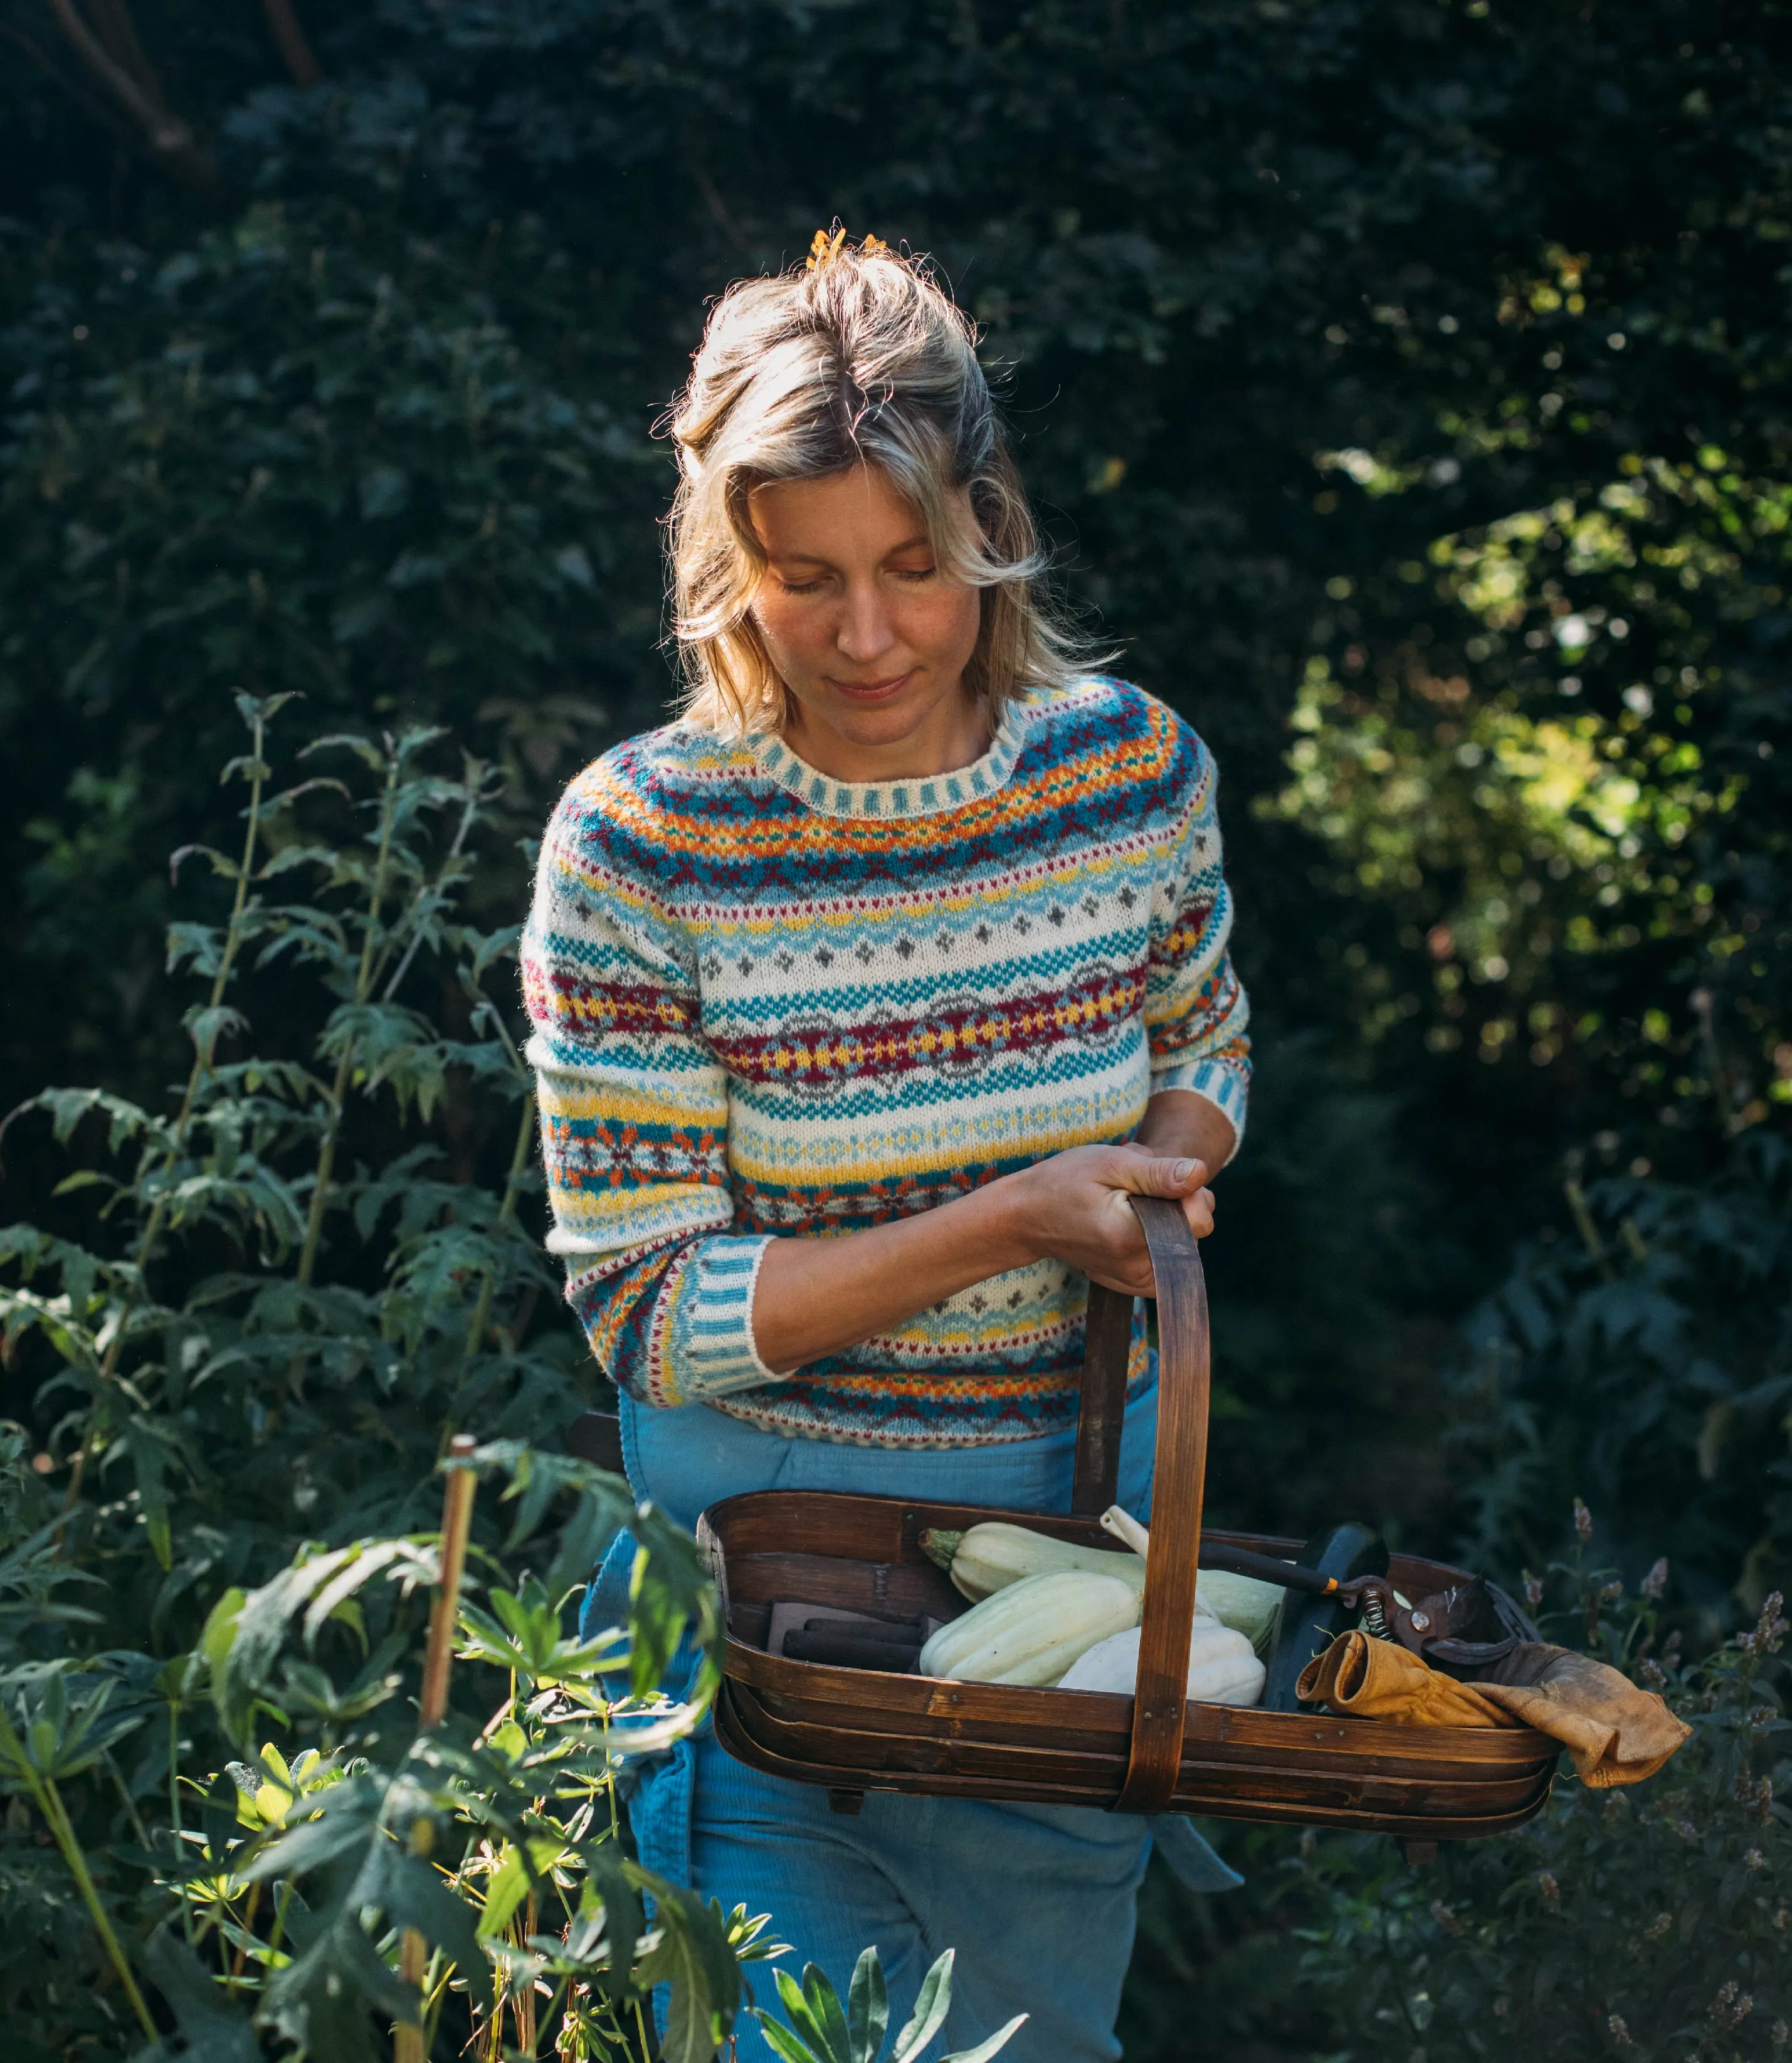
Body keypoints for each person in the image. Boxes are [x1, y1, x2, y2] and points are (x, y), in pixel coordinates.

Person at [522, 230, 1251, 2062]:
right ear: (724, 563)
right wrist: (1017, 1211)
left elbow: (1208, 1038)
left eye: (915, 570)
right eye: (802, 578)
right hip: (767, 1610)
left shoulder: (1129, 776)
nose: (865, 637)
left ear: (989, 526)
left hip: (1060, 1585)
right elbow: (652, 1311)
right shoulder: (639, 849)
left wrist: (1164, 1166)